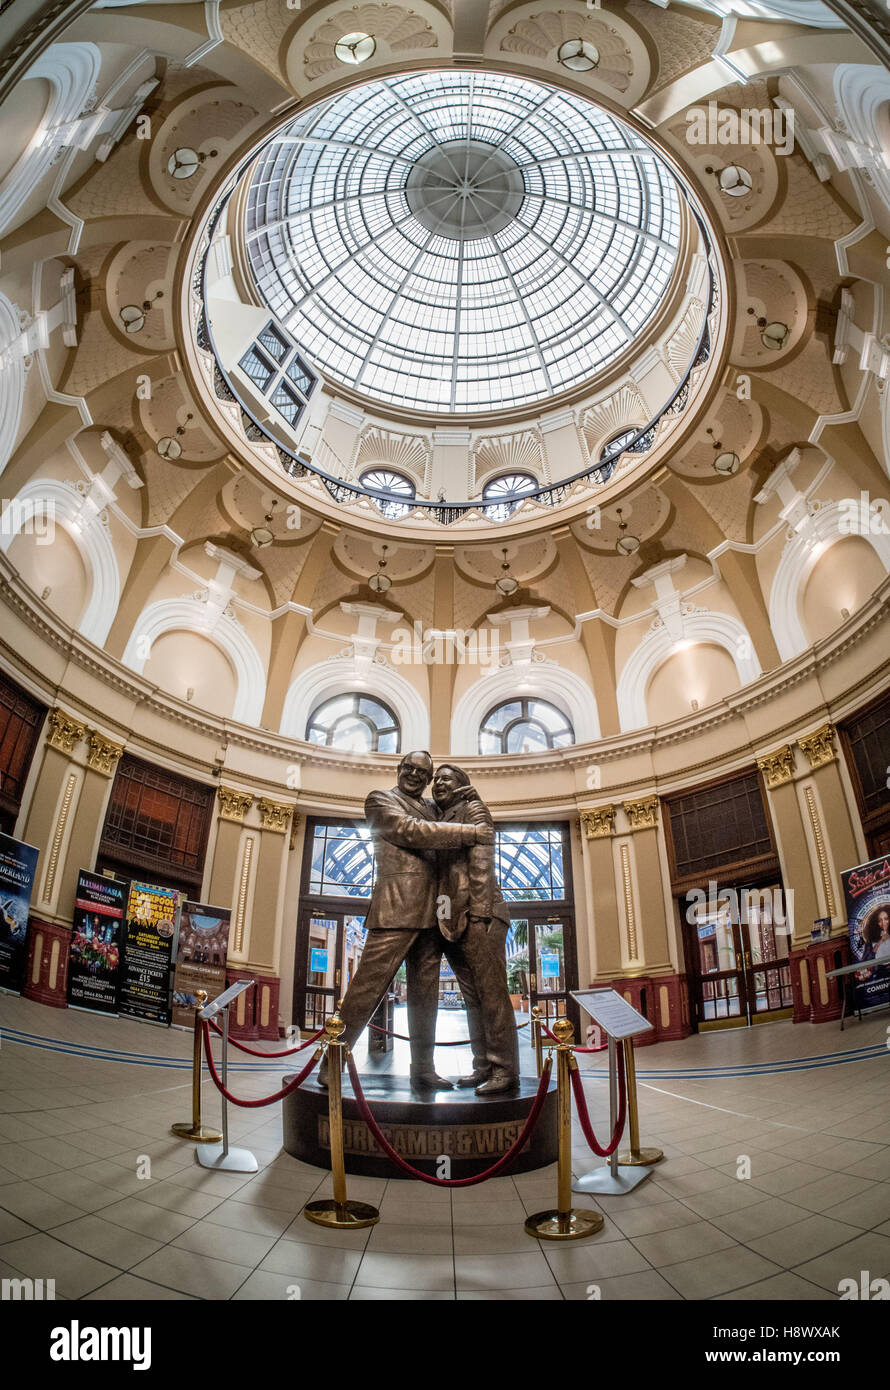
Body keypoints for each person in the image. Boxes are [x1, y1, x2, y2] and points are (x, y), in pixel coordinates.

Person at [316, 750, 494, 1090]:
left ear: (428, 780)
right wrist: (471, 833)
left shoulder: (432, 807)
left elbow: (447, 813)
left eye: (422, 772)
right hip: (395, 910)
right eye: (408, 768)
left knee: (425, 997)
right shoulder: (380, 800)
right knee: (365, 991)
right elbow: (411, 831)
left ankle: (423, 1070)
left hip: (433, 915)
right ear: (398, 769)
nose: (414, 774)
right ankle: (331, 1063)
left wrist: (470, 796)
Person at [406, 763, 519, 1095]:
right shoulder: (440, 817)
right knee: (473, 998)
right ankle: (482, 1066)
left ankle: (504, 1070)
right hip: (451, 918)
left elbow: (482, 862)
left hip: (479, 914)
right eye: (437, 779)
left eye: (447, 779)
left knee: (492, 996)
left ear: (462, 785)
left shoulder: (473, 808)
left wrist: (481, 915)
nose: (439, 782)